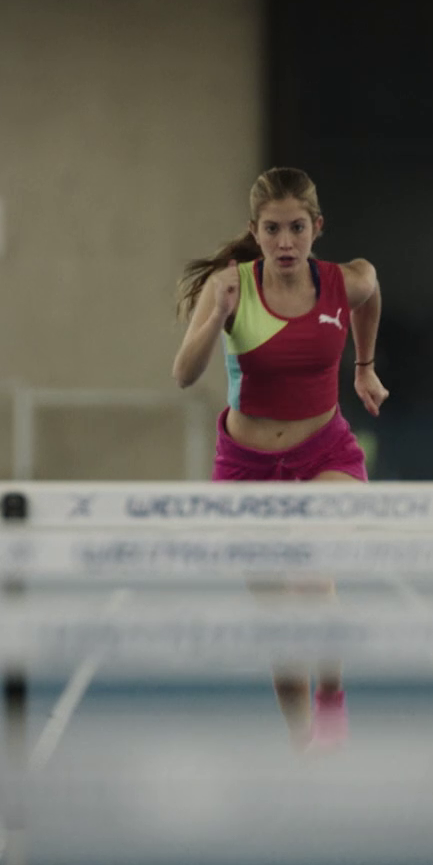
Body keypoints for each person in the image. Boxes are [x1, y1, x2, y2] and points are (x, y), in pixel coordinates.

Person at [171, 167, 386, 751]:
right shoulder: (230, 286)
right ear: (255, 231)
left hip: (326, 455)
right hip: (246, 468)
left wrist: (364, 367)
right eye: (272, 229)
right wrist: (216, 317)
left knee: (310, 575)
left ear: (317, 227)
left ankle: (332, 694)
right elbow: (183, 374)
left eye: (296, 228)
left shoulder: (346, 281)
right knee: (281, 628)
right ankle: (301, 745)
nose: (285, 242)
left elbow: (370, 295)